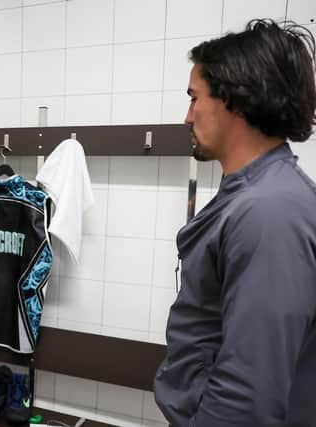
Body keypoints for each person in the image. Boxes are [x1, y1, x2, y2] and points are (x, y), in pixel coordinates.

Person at [154, 19, 316, 427]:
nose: (188, 117)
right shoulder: (249, 195)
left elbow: (248, 396)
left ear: (235, 101)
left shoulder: (270, 212)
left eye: (194, 98)